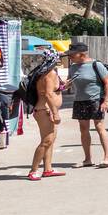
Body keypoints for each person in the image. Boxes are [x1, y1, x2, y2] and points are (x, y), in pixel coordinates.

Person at [67, 42, 108, 168]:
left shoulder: (96, 65)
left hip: (95, 100)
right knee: (83, 129)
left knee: (99, 126)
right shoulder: (72, 67)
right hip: (79, 100)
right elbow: (69, 82)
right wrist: (65, 85)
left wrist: (106, 101)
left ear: (82, 54)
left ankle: (107, 157)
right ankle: (87, 159)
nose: (70, 57)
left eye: (72, 54)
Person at [27, 53, 65, 181]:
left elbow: (50, 91)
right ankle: (33, 170)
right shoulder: (50, 73)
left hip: (45, 110)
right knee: (47, 140)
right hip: (45, 110)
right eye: (60, 59)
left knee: (50, 140)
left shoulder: (46, 73)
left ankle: (48, 169)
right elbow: (48, 95)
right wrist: (55, 113)